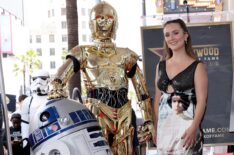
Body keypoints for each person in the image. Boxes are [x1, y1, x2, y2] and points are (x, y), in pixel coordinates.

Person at [48, 1, 154, 154]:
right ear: (92, 23)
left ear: (115, 22)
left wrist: (148, 119)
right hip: (96, 112)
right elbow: (59, 77)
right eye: (99, 19)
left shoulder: (126, 55)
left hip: (124, 113)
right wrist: (56, 86)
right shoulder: (82, 52)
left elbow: (142, 92)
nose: (104, 23)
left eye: (108, 19)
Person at [154, 18, 208, 154]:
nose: (171, 38)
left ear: (185, 35)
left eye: (175, 33)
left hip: (187, 131)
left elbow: (202, 101)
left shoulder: (197, 67)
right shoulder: (160, 66)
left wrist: (194, 127)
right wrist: (156, 128)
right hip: (164, 133)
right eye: (167, 35)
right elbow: (157, 100)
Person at [20, 69, 50, 154]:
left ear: (48, 79)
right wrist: (25, 140)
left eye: (42, 78)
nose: (38, 81)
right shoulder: (28, 101)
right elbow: (25, 122)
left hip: (51, 133)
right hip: (33, 138)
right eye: (35, 78)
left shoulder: (54, 97)